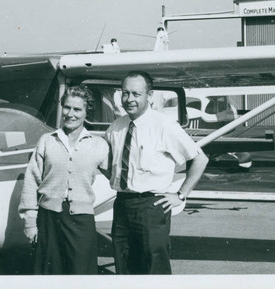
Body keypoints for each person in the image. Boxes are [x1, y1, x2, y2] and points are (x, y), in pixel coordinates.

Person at [104, 71, 208, 274]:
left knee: (154, 267)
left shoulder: (164, 125)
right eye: (125, 93)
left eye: (136, 93)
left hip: (151, 206)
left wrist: (180, 195)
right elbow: (108, 161)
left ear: (149, 96)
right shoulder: (116, 127)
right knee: (123, 264)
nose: (129, 99)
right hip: (122, 204)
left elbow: (199, 159)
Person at [18, 85, 110, 275]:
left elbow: (118, 177)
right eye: (67, 107)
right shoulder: (47, 140)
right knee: (49, 274)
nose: (70, 114)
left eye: (77, 109)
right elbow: (31, 181)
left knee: (81, 273)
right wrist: (30, 222)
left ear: (86, 112)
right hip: (48, 219)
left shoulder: (98, 145)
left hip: (81, 221)